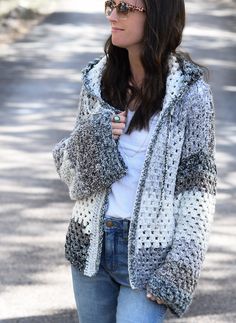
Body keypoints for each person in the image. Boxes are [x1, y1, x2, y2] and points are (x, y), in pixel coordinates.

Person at [52, 0, 217, 322]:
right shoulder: (97, 82)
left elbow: (199, 188)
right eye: (110, 5)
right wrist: (94, 138)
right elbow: (70, 174)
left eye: (125, 7)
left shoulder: (190, 94)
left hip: (149, 254)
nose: (112, 15)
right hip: (92, 246)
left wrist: (181, 264)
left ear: (158, 15)